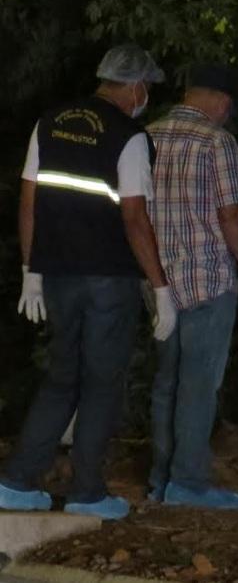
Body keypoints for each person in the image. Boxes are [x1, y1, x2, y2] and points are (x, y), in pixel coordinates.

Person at [0, 43, 176, 520]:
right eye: (147, 87)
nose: (146, 96)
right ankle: (87, 491)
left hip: (58, 276)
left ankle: (17, 482)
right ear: (134, 87)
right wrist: (160, 288)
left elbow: (29, 201)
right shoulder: (129, 136)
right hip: (108, 280)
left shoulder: (49, 122)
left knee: (62, 377)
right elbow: (135, 217)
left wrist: (31, 271)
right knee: (101, 383)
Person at [147, 63, 238, 509]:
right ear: (221, 101)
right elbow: (230, 215)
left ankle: (161, 478)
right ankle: (189, 482)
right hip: (208, 277)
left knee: (167, 380)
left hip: (157, 281)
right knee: (199, 382)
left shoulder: (146, 137)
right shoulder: (217, 141)